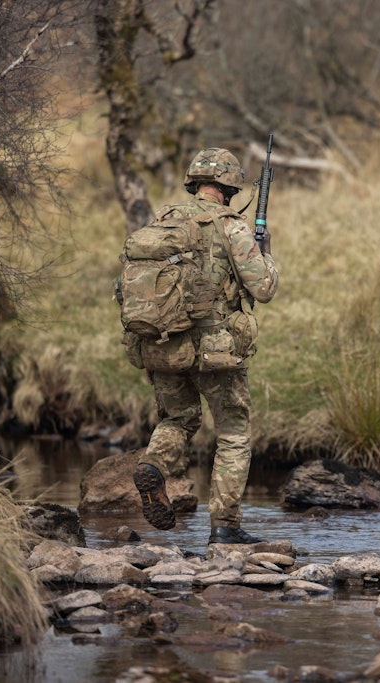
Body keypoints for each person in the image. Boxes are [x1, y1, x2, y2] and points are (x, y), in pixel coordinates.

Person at [132, 147, 278, 544]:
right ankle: (225, 527)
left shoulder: (163, 221)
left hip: (163, 344)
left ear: (194, 182)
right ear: (229, 187)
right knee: (233, 433)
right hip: (216, 350)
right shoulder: (232, 227)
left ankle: (153, 466)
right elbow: (264, 288)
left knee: (178, 420)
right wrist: (266, 254)